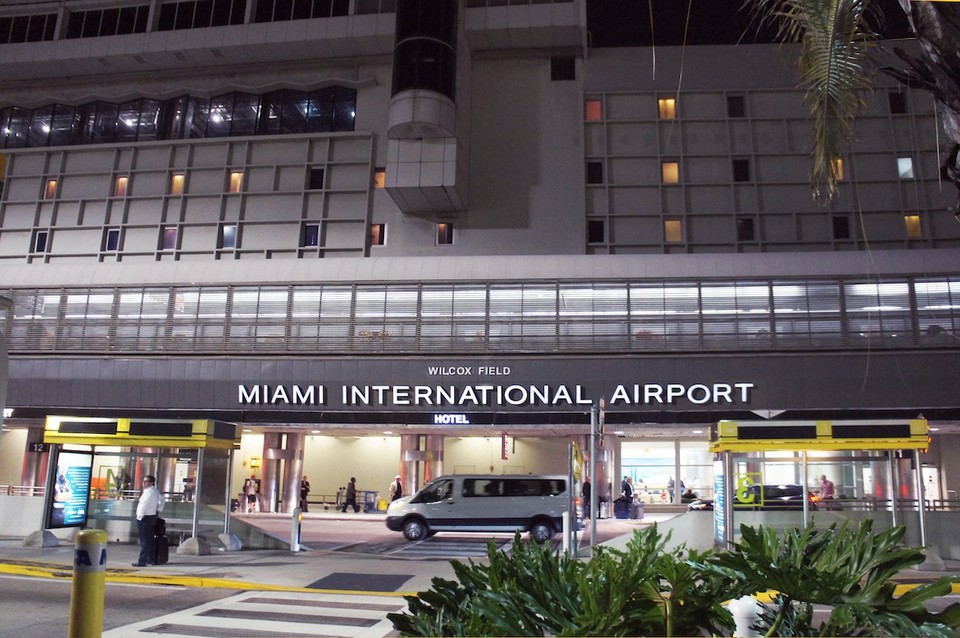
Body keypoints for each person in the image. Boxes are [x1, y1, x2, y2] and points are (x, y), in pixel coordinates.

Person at [133, 474, 165, 567]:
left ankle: (143, 560)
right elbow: (162, 500)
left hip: (145, 518)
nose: (144, 483)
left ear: (151, 482)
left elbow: (144, 505)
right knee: (149, 539)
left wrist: (140, 516)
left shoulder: (149, 493)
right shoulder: (153, 491)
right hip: (151, 517)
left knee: (145, 540)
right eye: (144, 481)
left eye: (146, 481)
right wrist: (158, 509)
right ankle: (150, 560)